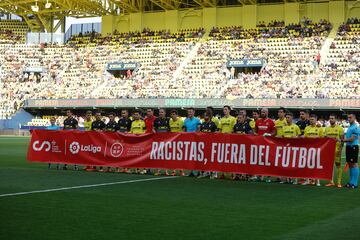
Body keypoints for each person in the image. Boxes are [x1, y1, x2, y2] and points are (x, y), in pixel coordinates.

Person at [255, 108, 275, 183]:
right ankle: (259, 176)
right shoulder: (258, 121)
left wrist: (269, 134)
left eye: (264, 112)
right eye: (262, 112)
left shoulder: (271, 122)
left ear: (267, 113)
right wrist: (256, 135)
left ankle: (268, 176)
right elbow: (255, 131)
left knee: (268, 160)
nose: (262, 113)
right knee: (259, 160)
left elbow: (274, 132)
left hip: (268, 144)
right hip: (259, 144)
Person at [324, 114, 344, 188]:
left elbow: (342, 140)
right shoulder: (326, 129)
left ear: (335, 119)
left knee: (338, 165)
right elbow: (325, 140)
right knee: (329, 166)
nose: (331, 120)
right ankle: (331, 182)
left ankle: (339, 182)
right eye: (330, 118)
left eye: (332, 118)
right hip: (329, 151)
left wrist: (340, 150)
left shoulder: (340, 128)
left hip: (337, 150)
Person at [303, 114, 324, 186]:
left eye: (312, 119)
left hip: (317, 149)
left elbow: (322, 139)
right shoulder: (307, 128)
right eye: (310, 119)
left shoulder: (320, 128)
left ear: (316, 120)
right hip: (308, 149)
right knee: (307, 165)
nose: (311, 121)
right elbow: (305, 138)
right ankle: (307, 180)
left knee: (316, 165)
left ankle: (317, 181)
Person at [281, 112, 301, 184]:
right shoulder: (284, 127)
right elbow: (283, 137)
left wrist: (295, 137)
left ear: (292, 118)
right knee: (285, 163)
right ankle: (285, 179)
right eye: (286, 117)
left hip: (294, 148)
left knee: (293, 164)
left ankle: (294, 179)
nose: (287, 119)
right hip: (286, 148)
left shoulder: (296, 127)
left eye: (288, 117)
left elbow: (299, 137)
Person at [341, 113, 359, 189]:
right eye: (348, 118)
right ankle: (351, 182)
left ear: (354, 118)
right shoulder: (350, 127)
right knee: (350, 164)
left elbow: (352, 139)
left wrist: (343, 140)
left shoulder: (355, 127)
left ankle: (354, 183)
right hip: (349, 147)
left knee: (354, 164)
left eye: (350, 117)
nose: (349, 119)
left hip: (353, 147)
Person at [198, 112, 218, 179]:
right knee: (203, 158)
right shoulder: (202, 124)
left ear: (209, 117)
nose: (205, 117)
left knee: (211, 159)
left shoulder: (213, 124)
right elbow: (200, 133)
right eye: (204, 116)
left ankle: (213, 173)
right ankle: (204, 172)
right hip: (204, 144)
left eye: (206, 116)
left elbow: (216, 134)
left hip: (211, 144)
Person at [183, 108, 201, 177]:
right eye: (188, 112)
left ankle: (197, 171)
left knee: (196, 155)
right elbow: (184, 130)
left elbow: (198, 129)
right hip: (188, 140)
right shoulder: (186, 121)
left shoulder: (197, 120)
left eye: (191, 112)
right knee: (190, 156)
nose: (189, 113)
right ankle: (192, 171)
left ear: (194, 112)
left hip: (195, 140)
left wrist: (195, 134)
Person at [153, 109, 170, 176]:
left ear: (165, 113)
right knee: (158, 155)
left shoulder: (168, 120)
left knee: (166, 156)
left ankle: (166, 171)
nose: (161, 113)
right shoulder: (156, 120)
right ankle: (158, 170)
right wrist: (155, 133)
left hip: (166, 141)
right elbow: (154, 128)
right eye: (160, 112)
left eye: (162, 112)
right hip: (158, 141)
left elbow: (170, 129)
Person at [130, 109, 147, 174]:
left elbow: (145, 132)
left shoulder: (143, 122)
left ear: (140, 115)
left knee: (142, 156)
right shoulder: (133, 123)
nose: (136, 116)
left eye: (137, 114)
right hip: (134, 141)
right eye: (135, 115)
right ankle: (137, 169)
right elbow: (131, 132)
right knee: (135, 156)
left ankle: (144, 169)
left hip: (141, 141)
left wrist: (141, 136)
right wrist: (125, 133)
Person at [169, 110, 185, 176]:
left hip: (180, 141)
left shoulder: (181, 121)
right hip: (172, 141)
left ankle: (181, 170)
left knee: (180, 156)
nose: (173, 115)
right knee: (173, 156)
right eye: (172, 114)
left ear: (177, 115)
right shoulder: (170, 121)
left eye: (174, 114)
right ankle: (173, 170)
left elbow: (183, 130)